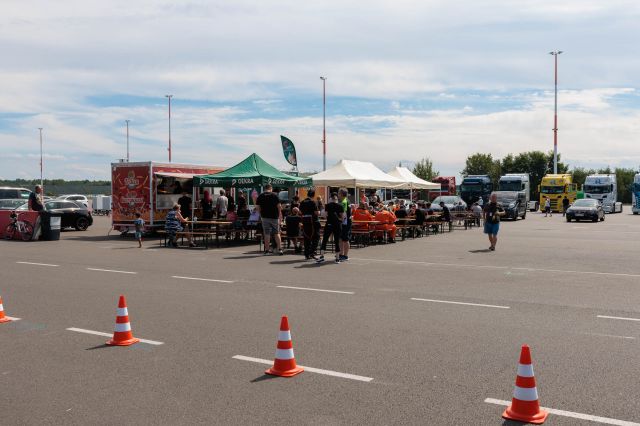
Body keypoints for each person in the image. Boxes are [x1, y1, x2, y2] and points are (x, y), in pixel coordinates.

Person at [256, 183, 283, 255]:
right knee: (277, 233)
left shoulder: (260, 196)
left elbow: (258, 207)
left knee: (266, 234)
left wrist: (260, 215)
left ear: (265, 188)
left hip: (265, 217)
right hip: (274, 217)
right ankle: (280, 249)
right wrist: (280, 216)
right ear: (271, 188)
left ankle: (267, 250)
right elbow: (279, 206)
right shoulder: (275, 195)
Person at [317, 193, 343, 263]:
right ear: (336, 198)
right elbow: (342, 217)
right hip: (337, 224)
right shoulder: (340, 205)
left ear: (331, 198)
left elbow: (325, 215)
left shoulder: (327, 205)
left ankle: (322, 256)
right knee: (336, 241)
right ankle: (337, 258)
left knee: (325, 239)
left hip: (329, 224)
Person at [300, 189, 321, 260]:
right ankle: (311, 252)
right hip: (313, 222)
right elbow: (316, 213)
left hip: (305, 221)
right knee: (316, 237)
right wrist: (319, 212)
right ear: (314, 195)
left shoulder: (302, 202)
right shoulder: (313, 202)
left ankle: (306, 254)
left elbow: (300, 211)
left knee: (307, 238)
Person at [338, 188, 351, 262]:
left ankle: (345, 255)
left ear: (342, 194)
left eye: (339, 193)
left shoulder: (344, 202)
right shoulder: (345, 201)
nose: (338, 194)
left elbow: (344, 213)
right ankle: (341, 254)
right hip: (344, 222)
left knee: (345, 239)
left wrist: (340, 219)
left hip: (345, 223)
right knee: (341, 239)